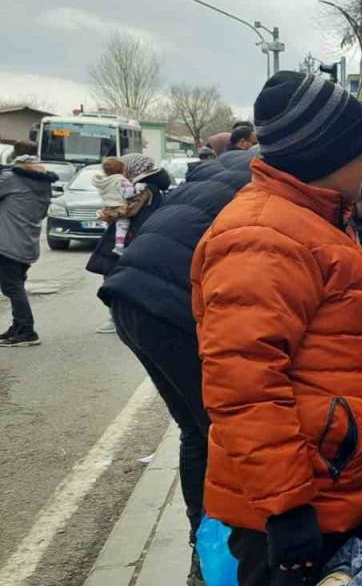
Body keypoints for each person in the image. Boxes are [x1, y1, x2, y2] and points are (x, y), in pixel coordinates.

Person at [191, 71, 362, 586]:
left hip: (324, 481)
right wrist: (288, 509)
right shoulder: (264, 236)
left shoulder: (311, 219)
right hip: (289, 502)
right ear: (327, 157)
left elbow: (328, 343)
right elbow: (244, 388)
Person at [98, 147, 254, 585]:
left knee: (196, 428)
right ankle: (214, 543)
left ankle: (201, 535)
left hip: (130, 295)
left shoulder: (231, 170)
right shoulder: (273, 188)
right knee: (219, 430)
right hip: (166, 306)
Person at [86, 154, 171, 334]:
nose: (124, 171)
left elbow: (129, 210)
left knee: (116, 276)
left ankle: (120, 318)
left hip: (132, 236)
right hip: (133, 235)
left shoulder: (144, 187)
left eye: (126, 167)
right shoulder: (149, 185)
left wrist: (109, 213)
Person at [0, 155, 57, 347]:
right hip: (27, 243)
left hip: (7, 243)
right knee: (16, 285)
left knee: (12, 287)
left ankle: (26, 330)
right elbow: (42, 213)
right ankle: (18, 327)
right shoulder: (44, 186)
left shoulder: (11, 179)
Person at [92, 157, 148, 256]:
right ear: (121, 169)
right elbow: (128, 194)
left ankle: (110, 243)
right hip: (119, 207)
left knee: (111, 226)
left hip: (107, 208)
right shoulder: (120, 180)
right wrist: (138, 188)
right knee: (123, 224)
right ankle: (119, 247)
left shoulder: (104, 182)